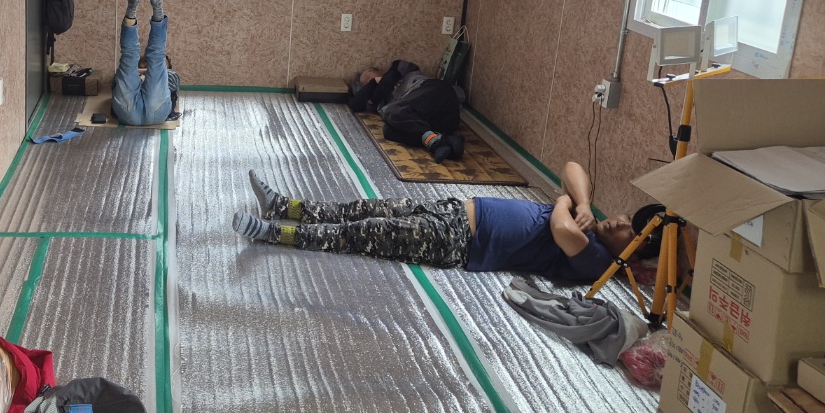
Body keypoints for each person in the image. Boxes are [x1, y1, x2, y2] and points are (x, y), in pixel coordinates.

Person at [233, 161, 664, 285]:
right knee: (362, 209)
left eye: (629, 229)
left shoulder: (598, 261)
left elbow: (561, 230)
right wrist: (583, 199)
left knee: (361, 234)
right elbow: (572, 166)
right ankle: (285, 206)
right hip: (455, 210)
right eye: (626, 216)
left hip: (457, 243)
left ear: (633, 251)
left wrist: (564, 202)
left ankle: (275, 233)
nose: (619, 221)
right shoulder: (588, 217)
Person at [351, 60, 463, 162]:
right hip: (439, 124)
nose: (367, 80)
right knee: (388, 131)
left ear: (380, 71)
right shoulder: (381, 103)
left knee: (392, 112)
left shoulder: (399, 70)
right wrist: (372, 84)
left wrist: (376, 84)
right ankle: (443, 142)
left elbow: (388, 80)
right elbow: (354, 105)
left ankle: (438, 143)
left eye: (368, 75)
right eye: (365, 83)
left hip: (437, 95)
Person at [111, 0, 180, 126]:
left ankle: (138, 7)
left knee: (144, 55)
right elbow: (170, 78)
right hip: (155, 112)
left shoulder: (144, 71)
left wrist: (141, 73)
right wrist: (144, 73)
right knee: (139, 56)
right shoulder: (168, 73)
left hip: (129, 112)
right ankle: (152, 7)